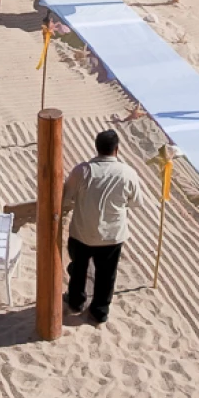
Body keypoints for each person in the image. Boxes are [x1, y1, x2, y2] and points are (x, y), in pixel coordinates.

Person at [60, 128, 143, 326]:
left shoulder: (82, 171)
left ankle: (75, 301)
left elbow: (66, 197)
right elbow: (136, 202)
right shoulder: (127, 173)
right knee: (107, 275)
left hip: (82, 232)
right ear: (117, 149)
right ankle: (99, 311)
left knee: (78, 268)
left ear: (96, 147)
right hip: (112, 235)